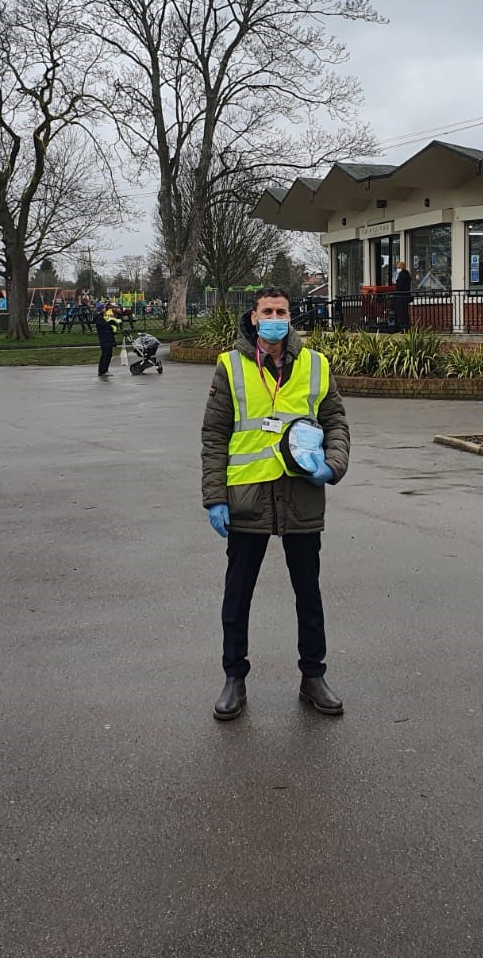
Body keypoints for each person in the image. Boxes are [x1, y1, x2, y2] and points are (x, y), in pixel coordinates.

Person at [201, 287, 351, 721]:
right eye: (266, 311)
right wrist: (214, 498)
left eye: (281, 311)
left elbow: (336, 421)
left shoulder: (316, 365)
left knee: (309, 593)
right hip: (245, 497)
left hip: (301, 495)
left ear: (290, 317)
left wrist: (334, 465)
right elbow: (214, 436)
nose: (274, 318)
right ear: (253, 318)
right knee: (238, 594)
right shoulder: (229, 366)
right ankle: (234, 678)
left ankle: (313, 677)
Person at [96, 302, 119, 377]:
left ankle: (102, 370)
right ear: (101, 309)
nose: (104, 309)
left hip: (105, 339)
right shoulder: (99, 318)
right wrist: (111, 325)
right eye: (103, 308)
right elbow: (106, 327)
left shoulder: (101, 317)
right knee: (106, 355)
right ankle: (104, 370)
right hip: (105, 339)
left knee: (105, 355)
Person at [392, 259, 413, 331]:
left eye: (398, 267)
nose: (397, 269)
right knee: (405, 312)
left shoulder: (402, 275)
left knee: (401, 312)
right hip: (405, 296)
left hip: (401, 297)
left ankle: (402, 327)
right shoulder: (407, 275)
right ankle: (406, 326)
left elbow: (400, 287)